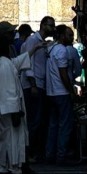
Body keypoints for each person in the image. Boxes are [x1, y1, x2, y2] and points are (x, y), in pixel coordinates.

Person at [0, 30, 30, 174]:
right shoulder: (5, 66)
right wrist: (15, 111)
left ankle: (3, 167)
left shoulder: (5, 63)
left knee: (5, 137)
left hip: (5, 107)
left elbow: (19, 61)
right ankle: (14, 168)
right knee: (12, 138)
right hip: (9, 108)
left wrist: (35, 48)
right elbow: (9, 90)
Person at [43, 25, 81, 164]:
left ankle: (50, 154)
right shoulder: (62, 50)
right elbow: (63, 74)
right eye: (69, 35)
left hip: (51, 92)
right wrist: (71, 91)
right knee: (65, 124)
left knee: (53, 124)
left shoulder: (51, 48)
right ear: (61, 35)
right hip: (61, 92)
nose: (71, 38)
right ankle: (61, 155)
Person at [22, 17, 54, 159]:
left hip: (39, 84)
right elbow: (28, 61)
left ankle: (33, 152)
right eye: (51, 25)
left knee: (38, 120)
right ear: (43, 25)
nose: (53, 28)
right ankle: (29, 153)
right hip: (34, 85)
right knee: (34, 121)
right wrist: (33, 84)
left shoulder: (41, 42)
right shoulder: (33, 40)